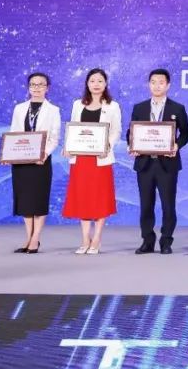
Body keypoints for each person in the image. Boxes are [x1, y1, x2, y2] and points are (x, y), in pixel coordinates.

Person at [127, 68, 188, 255]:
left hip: (167, 164)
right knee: (146, 204)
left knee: (168, 205)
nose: (157, 86)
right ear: (149, 84)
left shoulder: (177, 108)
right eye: (153, 82)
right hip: (145, 163)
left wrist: (176, 145)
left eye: (161, 82)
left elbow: (186, 133)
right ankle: (147, 241)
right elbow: (131, 132)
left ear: (168, 85)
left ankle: (166, 241)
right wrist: (132, 145)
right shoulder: (139, 108)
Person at [62, 68, 122, 254]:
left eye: (100, 81)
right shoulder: (77, 104)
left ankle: (96, 239)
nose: (96, 84)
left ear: (106, 84)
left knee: (100, 198)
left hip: (100, 159)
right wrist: (67, 146)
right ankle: (84, 239)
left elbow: (116, 131)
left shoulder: (112, 106)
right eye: (92, 81)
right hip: (80, 159)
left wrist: (107, 146)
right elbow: (73, 129)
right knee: (83, 198)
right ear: (87, 84)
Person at [7, 71, 61, 253]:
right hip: (21, 161)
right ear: (28, 87)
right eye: (33, 84)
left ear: (47, 88)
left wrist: (43, 154)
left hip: (41, 161)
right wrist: (9, 155)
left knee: (39, 199)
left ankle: (36, 238)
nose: (37, 88)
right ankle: (28, 238)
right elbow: (14, 134)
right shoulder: (19, 108)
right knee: (25, 200)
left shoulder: (53, 110)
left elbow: (54, 138)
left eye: (41, 84)